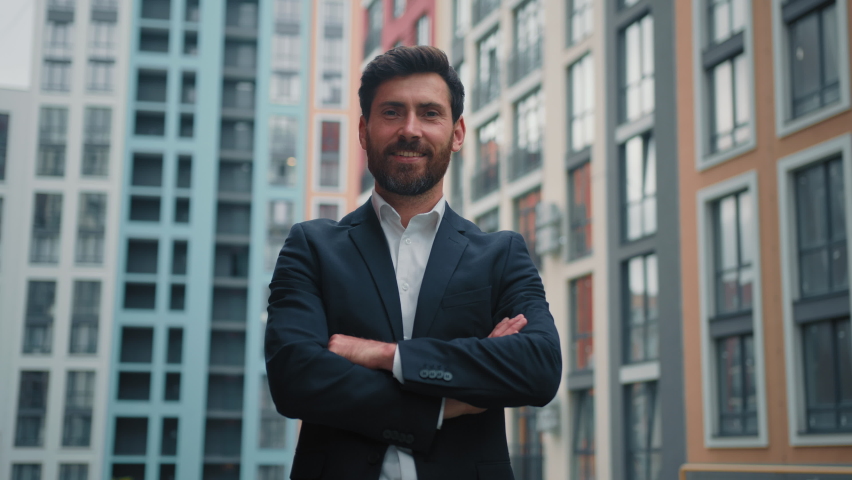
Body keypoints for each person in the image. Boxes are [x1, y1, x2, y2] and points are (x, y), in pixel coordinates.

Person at [265, 46, 561, 480]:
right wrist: (446, 404)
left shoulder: (502, 254)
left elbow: (538, 366)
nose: (410, 129)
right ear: (364, 131)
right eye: (392, 112)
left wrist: (387, 356)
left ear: (457, 133)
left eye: (429, 113)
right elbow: (296, 378)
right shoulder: (311, 247)